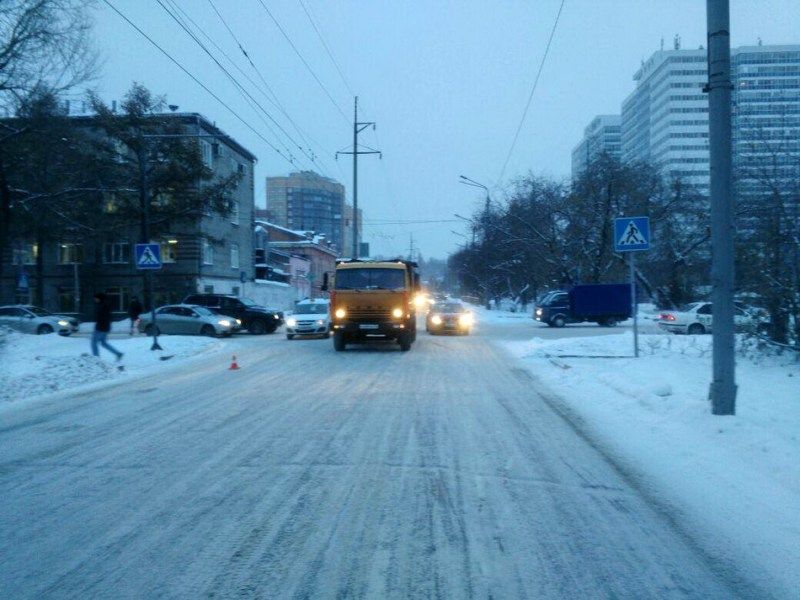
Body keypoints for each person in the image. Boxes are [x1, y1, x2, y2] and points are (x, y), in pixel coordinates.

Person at [92, 292, 123, 361]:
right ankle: (118, 353)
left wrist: (99, 326)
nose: (95, 300)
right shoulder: (105, 305)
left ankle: (96, 359)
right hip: (105, 327)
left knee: (94, 342)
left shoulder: (102, 306)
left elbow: (102, 318)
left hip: (100, 327)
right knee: (103, 343)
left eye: (96, 298)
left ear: (99, 299)